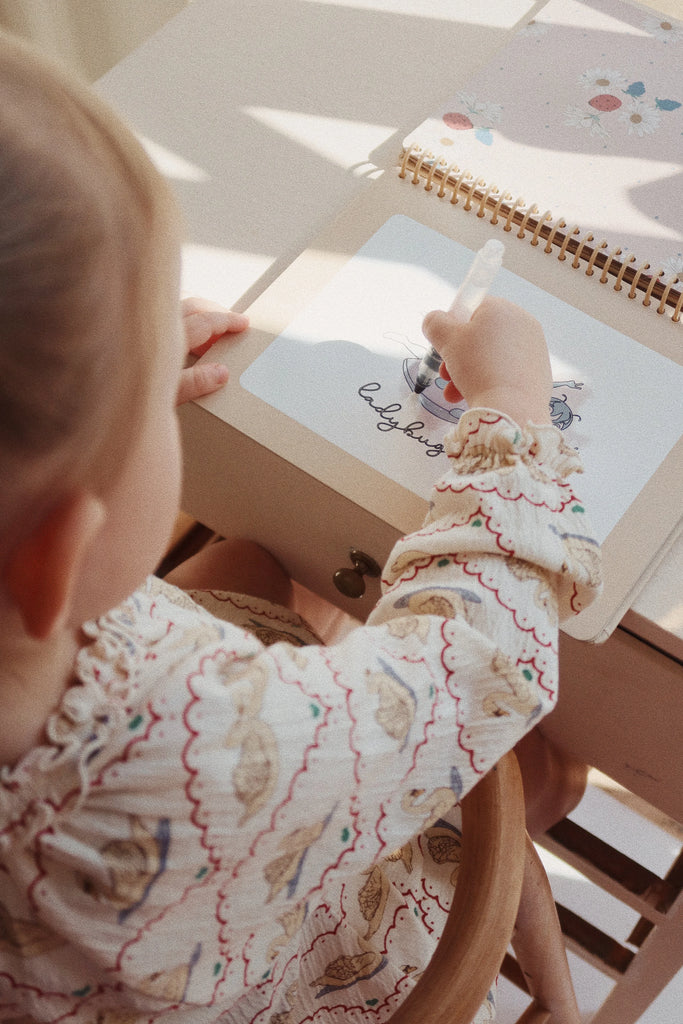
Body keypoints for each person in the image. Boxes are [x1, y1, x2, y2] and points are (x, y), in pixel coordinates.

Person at [0, 29, 601, 1024]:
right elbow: (477, 670)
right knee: (537, 771)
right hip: (300, 954)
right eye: (150, 400)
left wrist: (107, 397)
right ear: (56, 552)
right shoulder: (197, 752)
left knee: (249, 556)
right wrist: (510, 409)